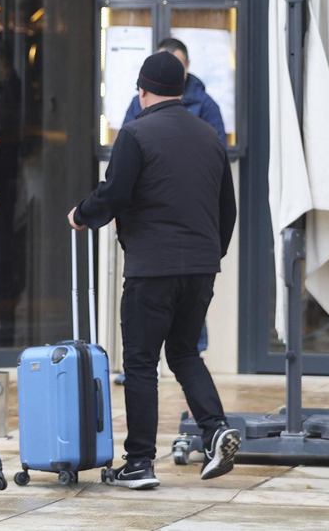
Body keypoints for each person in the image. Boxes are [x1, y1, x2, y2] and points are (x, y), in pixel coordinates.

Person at [69, 50, 240, 488]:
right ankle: (215, 429)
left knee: (141, 363)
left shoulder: (136, 133)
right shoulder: (209, 136)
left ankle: (140, 463)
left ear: (143, 91)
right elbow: (228, 211)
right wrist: (210, 257)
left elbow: (114, 195)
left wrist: (81, 214)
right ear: (181, 90)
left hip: (151, 269)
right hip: (201, 269)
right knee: (184, 353)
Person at [122, 36, 225, 358]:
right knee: (166, 353)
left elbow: (218, 173)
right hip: (166, 244)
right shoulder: (139, 112)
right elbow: (126, 166)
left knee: (171, 351)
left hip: (185, 239)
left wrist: (85, 214)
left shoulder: (206, 107)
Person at [123, 37, 226, 141]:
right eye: (162, 67)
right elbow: (127, 140)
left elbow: (217, 148)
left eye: (176, 67)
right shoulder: (139, 101)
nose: (168, 73)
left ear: (187, 65)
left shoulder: (206, 104)